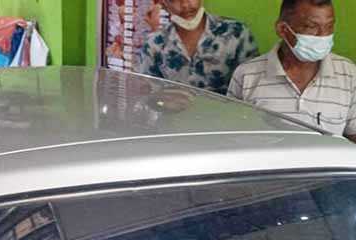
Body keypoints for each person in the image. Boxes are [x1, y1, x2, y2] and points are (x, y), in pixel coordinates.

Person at [228, 0, 356, 140]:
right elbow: (232, 136)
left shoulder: (348, 74)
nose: (323, 35)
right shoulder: (247, 75)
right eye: (311, 26)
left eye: (329, 26)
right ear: (283, 29)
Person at [139, 0, 259, 95]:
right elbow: (149, 94)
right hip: (174, 117)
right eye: (174, 0)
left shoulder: (236, 33)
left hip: (226, 117)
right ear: (164, 4)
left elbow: (251, 89)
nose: (185, 5)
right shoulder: (154, 44)